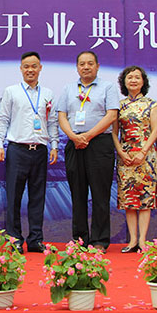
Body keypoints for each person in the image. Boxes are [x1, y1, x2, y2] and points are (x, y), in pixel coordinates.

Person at [0, 52, 59, 253]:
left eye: (34, 66)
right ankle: (14, 239)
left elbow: (52, 121)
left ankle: (35, 239)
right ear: (21, 69)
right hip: (17, 150)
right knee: (13, 197)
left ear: (40, 68)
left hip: (39, 150)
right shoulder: (11, 91)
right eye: (26, 66)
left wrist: (54, 145)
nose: (30, 70)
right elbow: (3, 118)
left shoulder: (47, 93)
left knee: (38, 196)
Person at [57, 51, 119, 252]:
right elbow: (62, 116)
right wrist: (74, 137)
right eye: (82, 64)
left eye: (90, 63)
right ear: (77, 67)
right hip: (75, 143)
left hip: (99, 143)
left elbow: (111, 116)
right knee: (78, 194)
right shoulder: (68, 89)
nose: (86, 67)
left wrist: (88, 136)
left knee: (100, 194)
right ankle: (79, 239)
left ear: (97, 66)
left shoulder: (108, 87)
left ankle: (100, 240)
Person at [112, 66, 157, 253]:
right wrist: (121, 152)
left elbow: (156, 130)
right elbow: (114, 132)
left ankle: (142, 241)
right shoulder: (119, 105)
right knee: (129, 200)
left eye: (137, 77)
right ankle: (132, 241)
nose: (133, 80)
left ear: (143, 81)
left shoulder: (151, 104)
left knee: (145, 199)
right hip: (126, 158)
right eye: (129, 77)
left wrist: (143, 152)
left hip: (146, 157)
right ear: (124, 82)